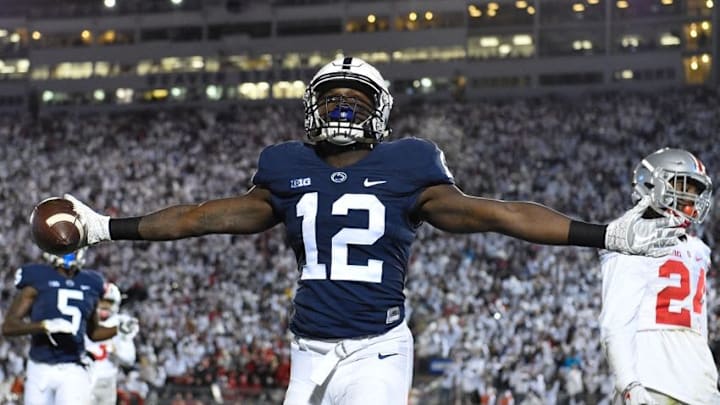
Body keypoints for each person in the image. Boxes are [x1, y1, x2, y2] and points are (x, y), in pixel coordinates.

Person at [52, 57, 685, 405]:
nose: (342, 107)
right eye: (332, 98)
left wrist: (604, 235)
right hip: (306, 350)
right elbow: (203, 218)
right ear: (310, 109)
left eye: (356, 98)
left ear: (380, 113)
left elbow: (497, 213)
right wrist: (105, 227)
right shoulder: (285, 167)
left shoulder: (410, 164)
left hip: (375, 350)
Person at [599, 148, 720, 405]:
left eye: (696, 190)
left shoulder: (699, 249)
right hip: (653, 376)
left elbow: (699, 328)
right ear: (655, 185)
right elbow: (616, 321)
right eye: (685, 186)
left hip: (700, 382)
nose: (692, 197)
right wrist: (629, 383)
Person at [1, 248, 126, 405]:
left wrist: (119, 329)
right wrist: (44, 326)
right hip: (40, 367)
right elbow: (9, 327)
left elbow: (93, 333)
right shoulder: (38, 277)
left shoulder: (92, 282)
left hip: (73, 367)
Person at [85, 282, 140, 405]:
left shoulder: (121, 322)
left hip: (107, 381)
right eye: (101, 301)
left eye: (108, 302)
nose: (104, 306)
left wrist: (116, 352)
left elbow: (130, 358)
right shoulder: (84, 319)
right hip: (83, 379)